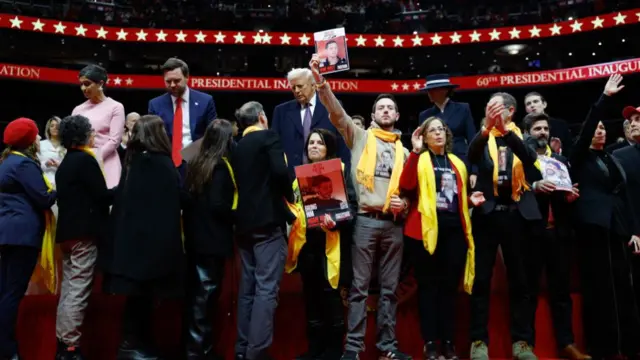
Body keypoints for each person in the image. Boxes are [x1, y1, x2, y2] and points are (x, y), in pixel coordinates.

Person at [309, 54, 412, 360]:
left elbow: (411, 193)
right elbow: (337, 113)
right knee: (358, 289)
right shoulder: (360, 139)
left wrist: (404, 203)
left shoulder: (405, 151)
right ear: (372, 114)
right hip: (365, 221)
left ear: (396, 115)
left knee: (390, 291)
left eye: (390, 108)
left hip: (394, 223)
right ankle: (352, 350)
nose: (385, 110)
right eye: (380, 107)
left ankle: (387, 348)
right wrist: (320, 83)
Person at [101, 115, 186, 359]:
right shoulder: (159, 163)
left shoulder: (134, 160)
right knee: (143, 300)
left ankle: (135, 344)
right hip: (152, 247)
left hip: (133, 246)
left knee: (139, 299)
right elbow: (175, 197)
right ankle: (131, 345)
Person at [400, 117, 484, 360]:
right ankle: (430, 343)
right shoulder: (419, 159)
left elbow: (456, 197)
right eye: (432, 130)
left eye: (441, 130)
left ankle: (448, 342)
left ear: (447, 136)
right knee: (428, 288)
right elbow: (405, 186)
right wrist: (415, 152)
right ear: (424, 138)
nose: (438, 133)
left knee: (449, 289)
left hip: (454, 232)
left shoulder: (457, 162)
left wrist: (470, 200)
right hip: (422, 233)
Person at [570, 74, 640, 359]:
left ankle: (631, 346)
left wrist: (634, 229)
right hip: (593, 228)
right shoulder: (580, 157)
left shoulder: (612, 157)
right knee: (600, 290)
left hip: (619, 228)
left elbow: (625, 196)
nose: (599, 131)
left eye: (602, 128)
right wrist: (604, 99)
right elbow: (587, 128)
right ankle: (605, 349)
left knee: (624, 288)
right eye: (595, 128)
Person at [467, 93, 542, 360]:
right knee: (481, 280)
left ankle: (522, 343)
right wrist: (487, 129)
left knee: (521, 281)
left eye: (498, 108)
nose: (493, 111)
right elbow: (471, 155)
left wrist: (505, 133)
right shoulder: (481, 136)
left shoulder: (524, 136)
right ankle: (478, 341)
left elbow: (532, 160)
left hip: (517, 214)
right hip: (487, 214)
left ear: (511, 111)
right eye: (489, 107)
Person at [521, 113, 590, 360]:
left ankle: (567, 344)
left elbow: (566, 197)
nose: (542, 132)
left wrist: (569, 198)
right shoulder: (522, 162)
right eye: (537, 128)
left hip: (558, 234)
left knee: (561, 293)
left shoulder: (560, 161)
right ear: (527, 132)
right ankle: (524, 344)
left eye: (545, 128)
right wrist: (535, 187)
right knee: (527, 291)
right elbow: (515, 194)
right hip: (531, 234)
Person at [286, 129, 356, 360]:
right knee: (311, 299)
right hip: (307, 247)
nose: (314, 146)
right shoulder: (299, 177)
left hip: (332, 245)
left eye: (320, 143)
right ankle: (314, 350)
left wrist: (335, 221)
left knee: (332, 299)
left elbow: (353, 209)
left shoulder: (342, 171)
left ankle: (334, 351)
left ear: (329, 148)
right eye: (311, 143)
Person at [232, 101, 294, 360]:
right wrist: (290, 196)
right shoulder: (268, 137)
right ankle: (256, 354)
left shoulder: (235, 146)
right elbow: (280, 171)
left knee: (248, 290)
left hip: (242, 226)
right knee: (267, 290)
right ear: (262, 117)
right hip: (268, 223)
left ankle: (242, 350)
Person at [54, 115, 113, 360]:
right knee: (78, 289)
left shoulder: (66, 161)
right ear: (82, 136)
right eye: (91, 131)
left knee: (69, 289)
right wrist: (127, 188)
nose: (94, 135)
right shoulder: (85, 161)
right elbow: (102, 196)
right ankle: (70, 346)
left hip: (67, 233)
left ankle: (62, 342)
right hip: (83, 235)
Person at [0, 118, 57, 360]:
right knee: (12, 293)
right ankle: (7, 349)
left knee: (4, 291)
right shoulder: (24, 164)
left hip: (6, 232)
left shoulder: (6, 162)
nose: (38, 138)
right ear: (28, 140)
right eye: (35, 135)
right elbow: (43, 198)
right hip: (23, 235)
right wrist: (59, 187)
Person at [182, 119, 237, 359]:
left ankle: (195, 349)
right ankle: (200, 351)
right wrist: (239, 214)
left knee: (197, 297)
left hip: (195, 239)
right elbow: (218, 205)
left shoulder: (196, 163)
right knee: (206, 299)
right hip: (214, 241)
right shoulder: (221, 167)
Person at [272, 68, 350, 174]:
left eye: (300, 86)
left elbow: (343, 145)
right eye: (293, 87)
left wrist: (345, 176)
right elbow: (275, 149)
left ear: (313, 85)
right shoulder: (281, 111)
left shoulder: (331, 107)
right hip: (290, 179)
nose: (296, 91)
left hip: (326, 176)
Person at [148, 57, 216, 169]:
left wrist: (188, 155)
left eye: (177, 80)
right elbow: (152, 137)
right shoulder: (155, 104)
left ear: (187, 77)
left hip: (197, 162)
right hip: (166, 163)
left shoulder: (206, 101)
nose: (173, 85)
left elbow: (212, 134)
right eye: (168, 81)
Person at [71, 64, 125, 188]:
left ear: (100, 84)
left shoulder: (116, 107)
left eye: (87, 83)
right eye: (81, 84)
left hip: (107, 163)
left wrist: (94, 157)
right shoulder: (77, 110)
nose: (83, 88)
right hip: (82, 162)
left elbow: (115, 140)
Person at [613, 104, 640, 309]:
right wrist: (633, 232)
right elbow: (623, 199)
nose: (633, 124)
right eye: (631, 121)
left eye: (638, 119)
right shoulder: (620, 156)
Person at [418, 74, 476, 165]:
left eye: (432, 90)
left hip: (461, 160)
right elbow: (422, 145)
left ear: (445, 90)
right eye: (428, 90)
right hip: (435, 162)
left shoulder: (463, 109)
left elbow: (472, 141)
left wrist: (474, 170)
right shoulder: (424, 115)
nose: (429, 93)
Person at [523, 92, 573, 157]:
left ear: (544, 104)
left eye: (535, 101)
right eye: (528, 103)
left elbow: (569, 150)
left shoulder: (560, 125)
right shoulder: (521, 128)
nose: (532, 105)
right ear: (526, 109)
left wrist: (557, 151)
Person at [38, 116, 65, 190]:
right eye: (52, 126)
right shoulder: (41, 144)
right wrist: (46, 164)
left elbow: (70, 168)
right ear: (48, 129)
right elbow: (35, 165)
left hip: (61, 183)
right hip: (43, 183)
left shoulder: (66, 147)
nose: (54, 128)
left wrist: (60, 166)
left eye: (57, 126)